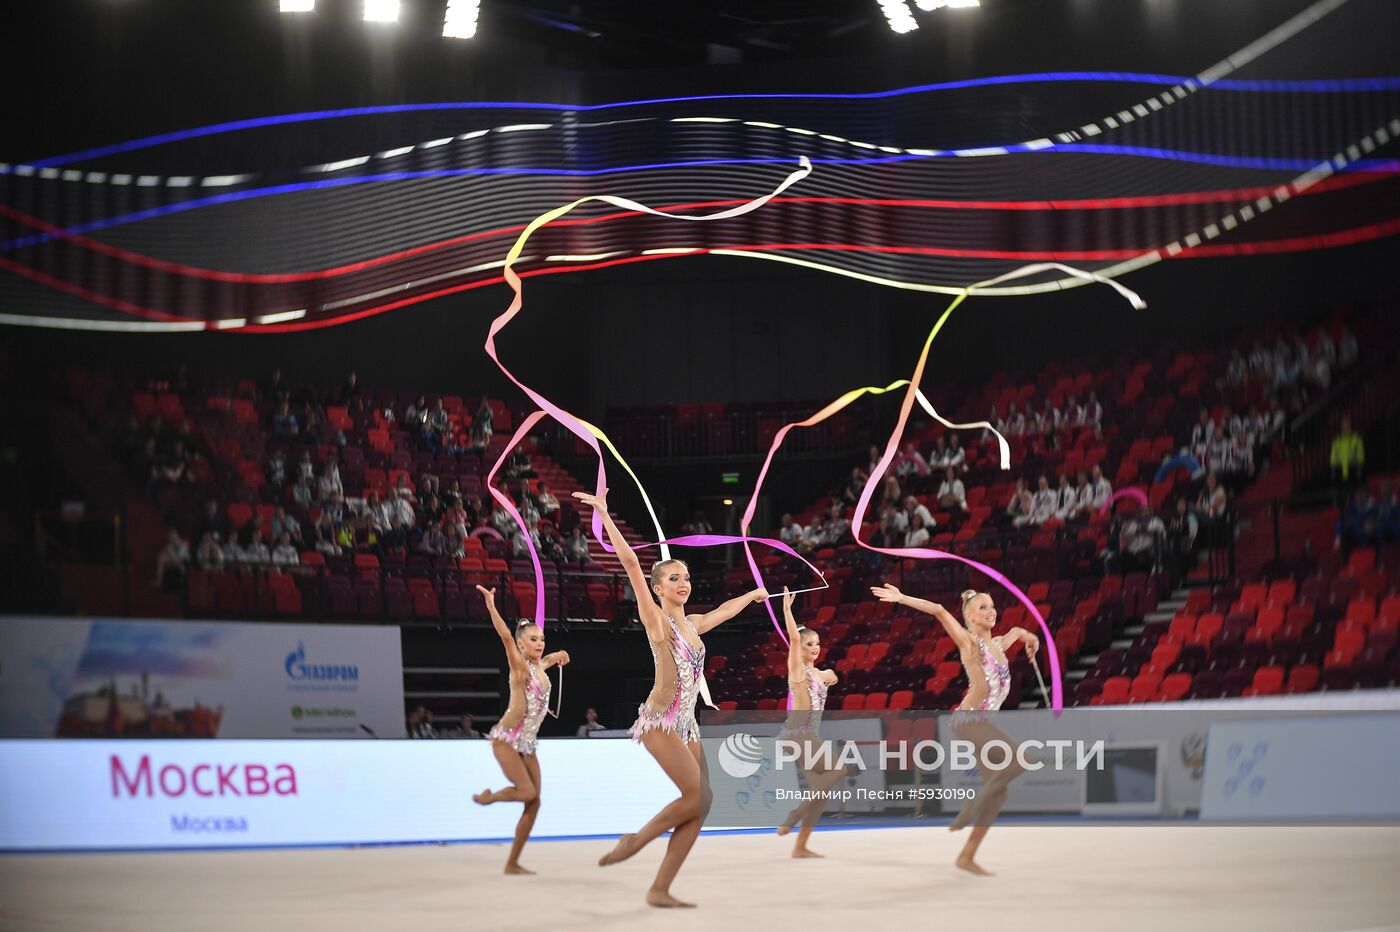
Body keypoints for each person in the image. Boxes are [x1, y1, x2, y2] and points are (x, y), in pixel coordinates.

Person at [574, 488, 768, 908]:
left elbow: (725, 612)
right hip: (660, 720)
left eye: (686, 577)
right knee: (696, 796)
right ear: (658, 587)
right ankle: (637, 840)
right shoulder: (656, 621)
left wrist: (753, 596)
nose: (683, 583)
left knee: (704, 804)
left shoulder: (694, 623)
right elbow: (628, 562)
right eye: (674, 578)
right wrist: (606, 515)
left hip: (688, 723)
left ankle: (659, 888)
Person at [870, 584, 1039, 875]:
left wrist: (1029, 637)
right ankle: (973, 803)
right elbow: (938, 610)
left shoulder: (998, 644)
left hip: (983, 723)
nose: (991, 611)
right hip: (968, 720)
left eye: (992, 606)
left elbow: (1016, 633)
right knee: (1019, 760)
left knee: (999, 794)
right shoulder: (970, 643)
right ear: (970, 617)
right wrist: (901, 597)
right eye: (983, 608)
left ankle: (967, 855)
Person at [471, 586, 570, 875]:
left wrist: (562, 653)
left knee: (534, 802)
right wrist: (491, 606)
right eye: (532, 640)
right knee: (526, 791)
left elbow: (553, 658)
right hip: (506, 739)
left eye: (541, 639)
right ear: (520, 645)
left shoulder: (541, 665)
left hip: (527, 744)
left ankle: (513, 862)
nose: (539, 644)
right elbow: (504, 636)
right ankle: (490, 797)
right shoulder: (519, 667)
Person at [775, 587, 844, 858]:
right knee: (837, 771)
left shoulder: (821, 672)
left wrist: (829, 676)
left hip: (806, 736)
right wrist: (786, 610)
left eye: (817, 644)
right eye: (809, 644)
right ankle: (795, 814)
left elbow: (832, 676)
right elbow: (793, 637)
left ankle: (800, 846)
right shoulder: (797, 669)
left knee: (821, 791)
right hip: (797, 734)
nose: (814, 648)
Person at [1330, 415, 1365, 485]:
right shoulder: (1337, 440)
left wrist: (1359, 469)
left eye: (1347, 424)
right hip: (1340, 470)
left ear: (1350, 426)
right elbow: (1333, 456)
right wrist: (1333, 471)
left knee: (1353, 490)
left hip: (1353, 469)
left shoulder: (1356, 438)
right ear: (1341, 426)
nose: (1345, 427)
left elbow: (1360, 455)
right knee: (1342, 492)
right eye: (1344, 425)